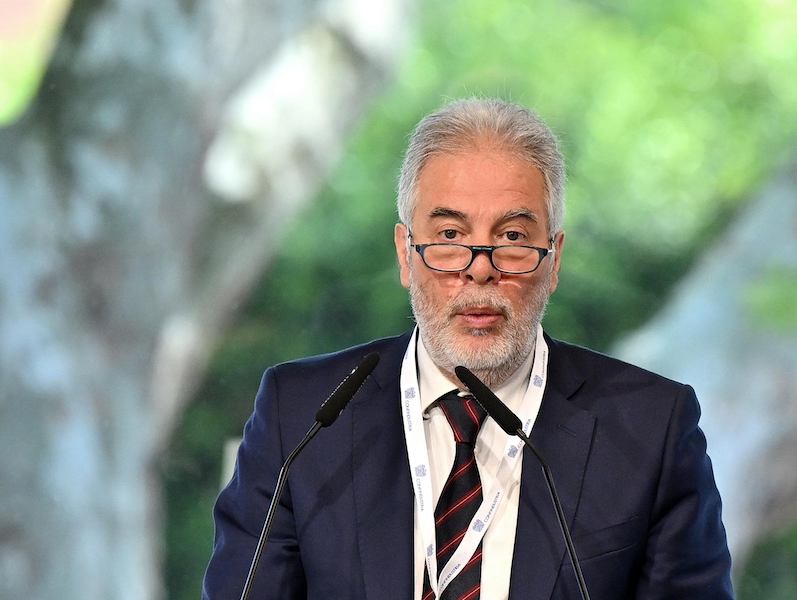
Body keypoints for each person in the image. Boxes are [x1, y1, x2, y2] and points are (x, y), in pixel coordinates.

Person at [203, 98, 734, 599]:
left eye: (512, 238)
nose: (480, 269)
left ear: (554, 260)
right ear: (405, 254)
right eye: (451, 235)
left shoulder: (650, 429)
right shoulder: (303, 417)